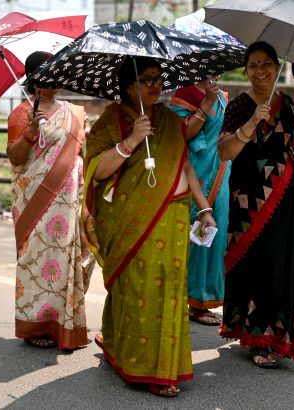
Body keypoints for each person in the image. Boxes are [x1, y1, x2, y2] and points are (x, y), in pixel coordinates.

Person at [83, 56, 217, 397]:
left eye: (158, 79)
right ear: (128, 85)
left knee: (170, 293)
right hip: (130, 222)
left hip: (173, 219)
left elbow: (185, 168)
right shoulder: (110, 121)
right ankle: (136, 364)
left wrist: (204, 209)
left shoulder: (170, 121)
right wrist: (129, 142)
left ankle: (166, 368)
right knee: (138, 289)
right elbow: (96, 172)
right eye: (146, 79)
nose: (155, 86)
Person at [216, 41, 294, 368]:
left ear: (277, 66)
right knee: (255, 265)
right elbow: (224, 152)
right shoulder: (240, 106)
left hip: (284, 203)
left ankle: (280, 336)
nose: (260, 70)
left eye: (266, 64)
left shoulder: (287, 105)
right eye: (253, 65)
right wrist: (249, 126)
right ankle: (256, 337)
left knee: (280, 265)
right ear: (246, 70)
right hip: (248, 202)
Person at [7, 51, 93, 351]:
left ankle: (65, 323)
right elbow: (15, 159)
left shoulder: (75, 113)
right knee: (38, 258)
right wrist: (30, 133)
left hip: (69, 202)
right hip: (35, 202)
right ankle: (36, 324)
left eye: (57, 71)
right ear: (33, 78)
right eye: (46, 72)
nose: (54, 77)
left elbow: (81, 154)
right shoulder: (21, 114)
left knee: (68, 258)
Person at [169, 78, 230, 326]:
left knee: (217, 234)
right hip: (196, 172)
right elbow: (182, 134)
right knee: (193, 236)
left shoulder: (224, 95)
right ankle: (190, 298)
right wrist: (206, 104)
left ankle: (204, 298)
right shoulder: (185, 93)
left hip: (222, 170)